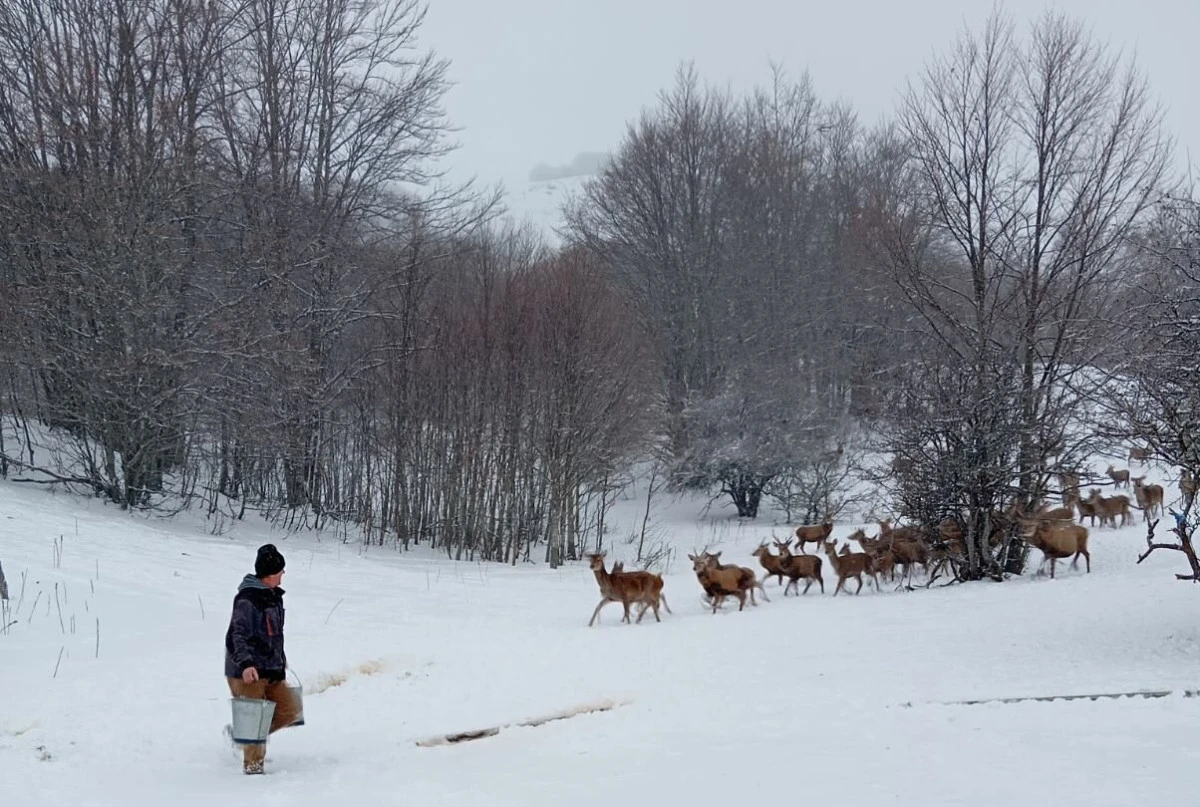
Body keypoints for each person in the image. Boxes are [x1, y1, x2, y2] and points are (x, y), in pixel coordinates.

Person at [224, 543, 299, 774]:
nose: (283, 575)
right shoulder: (248, 599)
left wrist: (280, 658)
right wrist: (246, 664)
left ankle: (245, 733)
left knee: (290, 709)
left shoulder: (274, 597)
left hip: (270, 667)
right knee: (255, 721)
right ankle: (253, 774)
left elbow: (274, 634)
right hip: (247, 671)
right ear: (270, 574)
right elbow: (237, 634)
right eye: (280, 572)